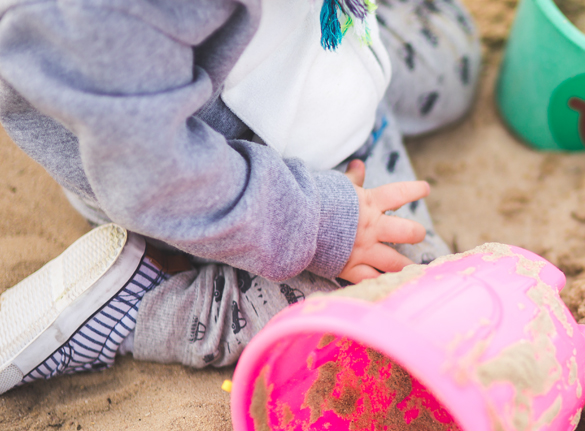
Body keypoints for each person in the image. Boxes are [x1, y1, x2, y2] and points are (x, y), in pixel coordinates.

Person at [0, 0, 481, 394]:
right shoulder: (102, 17)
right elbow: (158, 177)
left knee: (453, 65)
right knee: (410, 300)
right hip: (232, 187)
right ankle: (144, 307)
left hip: (321, 56)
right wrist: (320, 225)